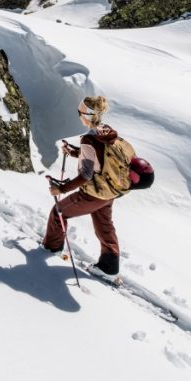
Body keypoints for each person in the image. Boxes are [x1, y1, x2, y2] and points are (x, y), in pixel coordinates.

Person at [41, 95, 121, 277]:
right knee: (104, 225)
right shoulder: (106, 131)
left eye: (80, 113)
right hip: (109, 191)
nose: (79, 116)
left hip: (93, 193)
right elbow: (98, 158)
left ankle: (51, 249)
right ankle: (109, 267)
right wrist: (74, 152)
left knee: (58, 213)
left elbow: (86, 175)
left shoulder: (88, 139)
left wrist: (61, 189)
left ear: (87, 115)